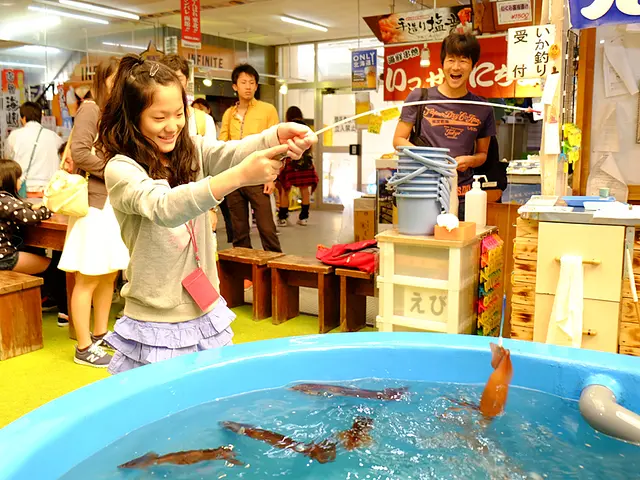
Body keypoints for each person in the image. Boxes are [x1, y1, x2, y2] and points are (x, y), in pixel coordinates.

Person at [97, 55, 315, 374]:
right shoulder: (122, 169)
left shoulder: (192, 150)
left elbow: (233, 151)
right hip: (155, 318)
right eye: (159, 117)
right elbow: (165, 206)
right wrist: (238, 177)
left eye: (178, 114)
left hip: (204, 304)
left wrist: (276, 136)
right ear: (133, 117)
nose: (172, 126)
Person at [58, 57, 130, 368]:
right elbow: (79, 152)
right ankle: (84, 346)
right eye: (116, 80)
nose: (121, 86)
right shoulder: (90, 108)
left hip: (111, 205)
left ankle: (101, 335)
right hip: (93, 204)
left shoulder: (116, 114)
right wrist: (115, 171)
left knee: (109, 273)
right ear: (104, 80)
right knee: (87, 277)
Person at [393, 33, 496, 220]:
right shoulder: (419, 97)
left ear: (473, 65)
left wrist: (471, 161)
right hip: (423, 193)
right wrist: (431, 161)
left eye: (463, 60)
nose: (456, 67)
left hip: (462, 196)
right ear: (442, 64)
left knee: (461, 248)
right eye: (451, 60)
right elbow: (399, 140)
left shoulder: (483, 108)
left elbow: (482, 154)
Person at [219, 64, 281, 253]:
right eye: (243, 82)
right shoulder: (229, 114)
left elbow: (276, 146)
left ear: (256, 86)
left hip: (259, 175)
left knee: (266, 227)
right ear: (235, 86)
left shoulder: (267, 110)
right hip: (234, 175)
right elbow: (222, 144)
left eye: (252, 82)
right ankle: (244, 273)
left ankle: (275, 269)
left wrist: (272, 177)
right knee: (239, 230)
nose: (248, 86)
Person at [0, 159, 68, 324]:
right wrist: (48, 209)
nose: (21, 181)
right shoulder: (3, 200)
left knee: (35, 252)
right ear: (9, 179)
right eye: (18, 177)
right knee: (57, 265)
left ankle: (45, 297)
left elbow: (19, 208)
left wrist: (31, 206)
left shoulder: (4, 199)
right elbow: (28, 217)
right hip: (4, 259)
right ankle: (64, 311)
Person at [4, 102, 63, 198]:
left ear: (23, 118)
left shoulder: (15, 136)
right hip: (50, 191)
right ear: (40, 118)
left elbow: (7, 160)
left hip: (23, 189)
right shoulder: (55, 137)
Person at [276, 106, 318, 227]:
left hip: (291, 161)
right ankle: (304, 217)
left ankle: (283, 217)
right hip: (305, 163)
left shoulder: (288, 127)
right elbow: (310, 146)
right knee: (305, 190)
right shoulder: (305, 127)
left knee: (285, 189)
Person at [160, 55, 217, 141]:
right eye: (168, 79)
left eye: (179, 79)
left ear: (187, 81)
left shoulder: (205, 120)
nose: (173, 84)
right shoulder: (154, 118)